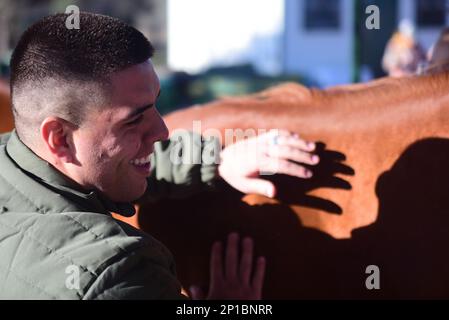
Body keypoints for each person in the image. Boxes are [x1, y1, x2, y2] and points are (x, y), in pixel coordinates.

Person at [0, 12, 319, 299]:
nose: (162, 131)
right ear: (59, 138)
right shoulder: (117, 276)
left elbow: (107, 164)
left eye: (156, 104)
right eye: (134, 120)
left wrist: (214, 161)